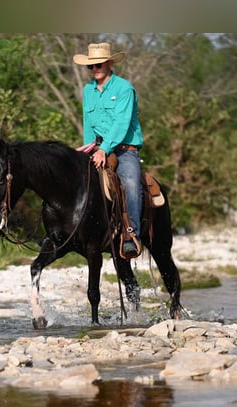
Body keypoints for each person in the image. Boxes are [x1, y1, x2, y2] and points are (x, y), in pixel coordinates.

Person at [73, 42, 144, 258]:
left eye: (99, 64)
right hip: (97, 149)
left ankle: (132, 235)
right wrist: (88, 149)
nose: (95, 69)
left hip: (124, 150)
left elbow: (121, 123)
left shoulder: (124, 88)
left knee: (131, 184)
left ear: (110, 63)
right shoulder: (88, 90)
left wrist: (104, 148)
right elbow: (88, 122)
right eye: (91, 66)